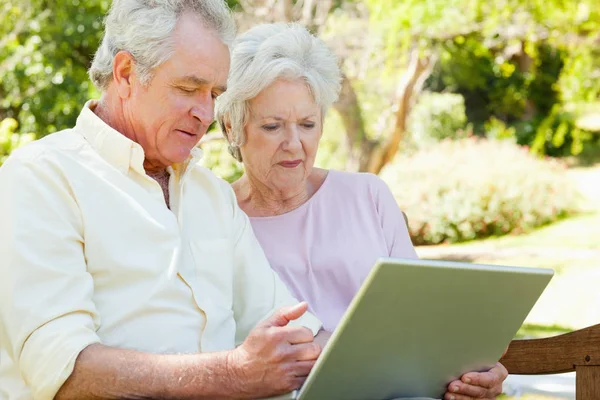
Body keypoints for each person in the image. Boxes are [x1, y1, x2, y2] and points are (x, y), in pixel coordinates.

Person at [0, 2, 328, 399]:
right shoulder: (41, 177)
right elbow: (66, 372)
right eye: (188, 89)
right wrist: (234, 374)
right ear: (125, 74)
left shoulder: (212, 195)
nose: (205, 112)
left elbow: (295, 332)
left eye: (214, 94)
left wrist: (378, 360)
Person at [215, 22, 508, 400]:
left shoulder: (367, 195)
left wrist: (472, 371)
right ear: (231, 128)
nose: (294, 144)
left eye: (307, 124)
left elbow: (424, 318)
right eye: (272, 126)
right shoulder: (215, 216)